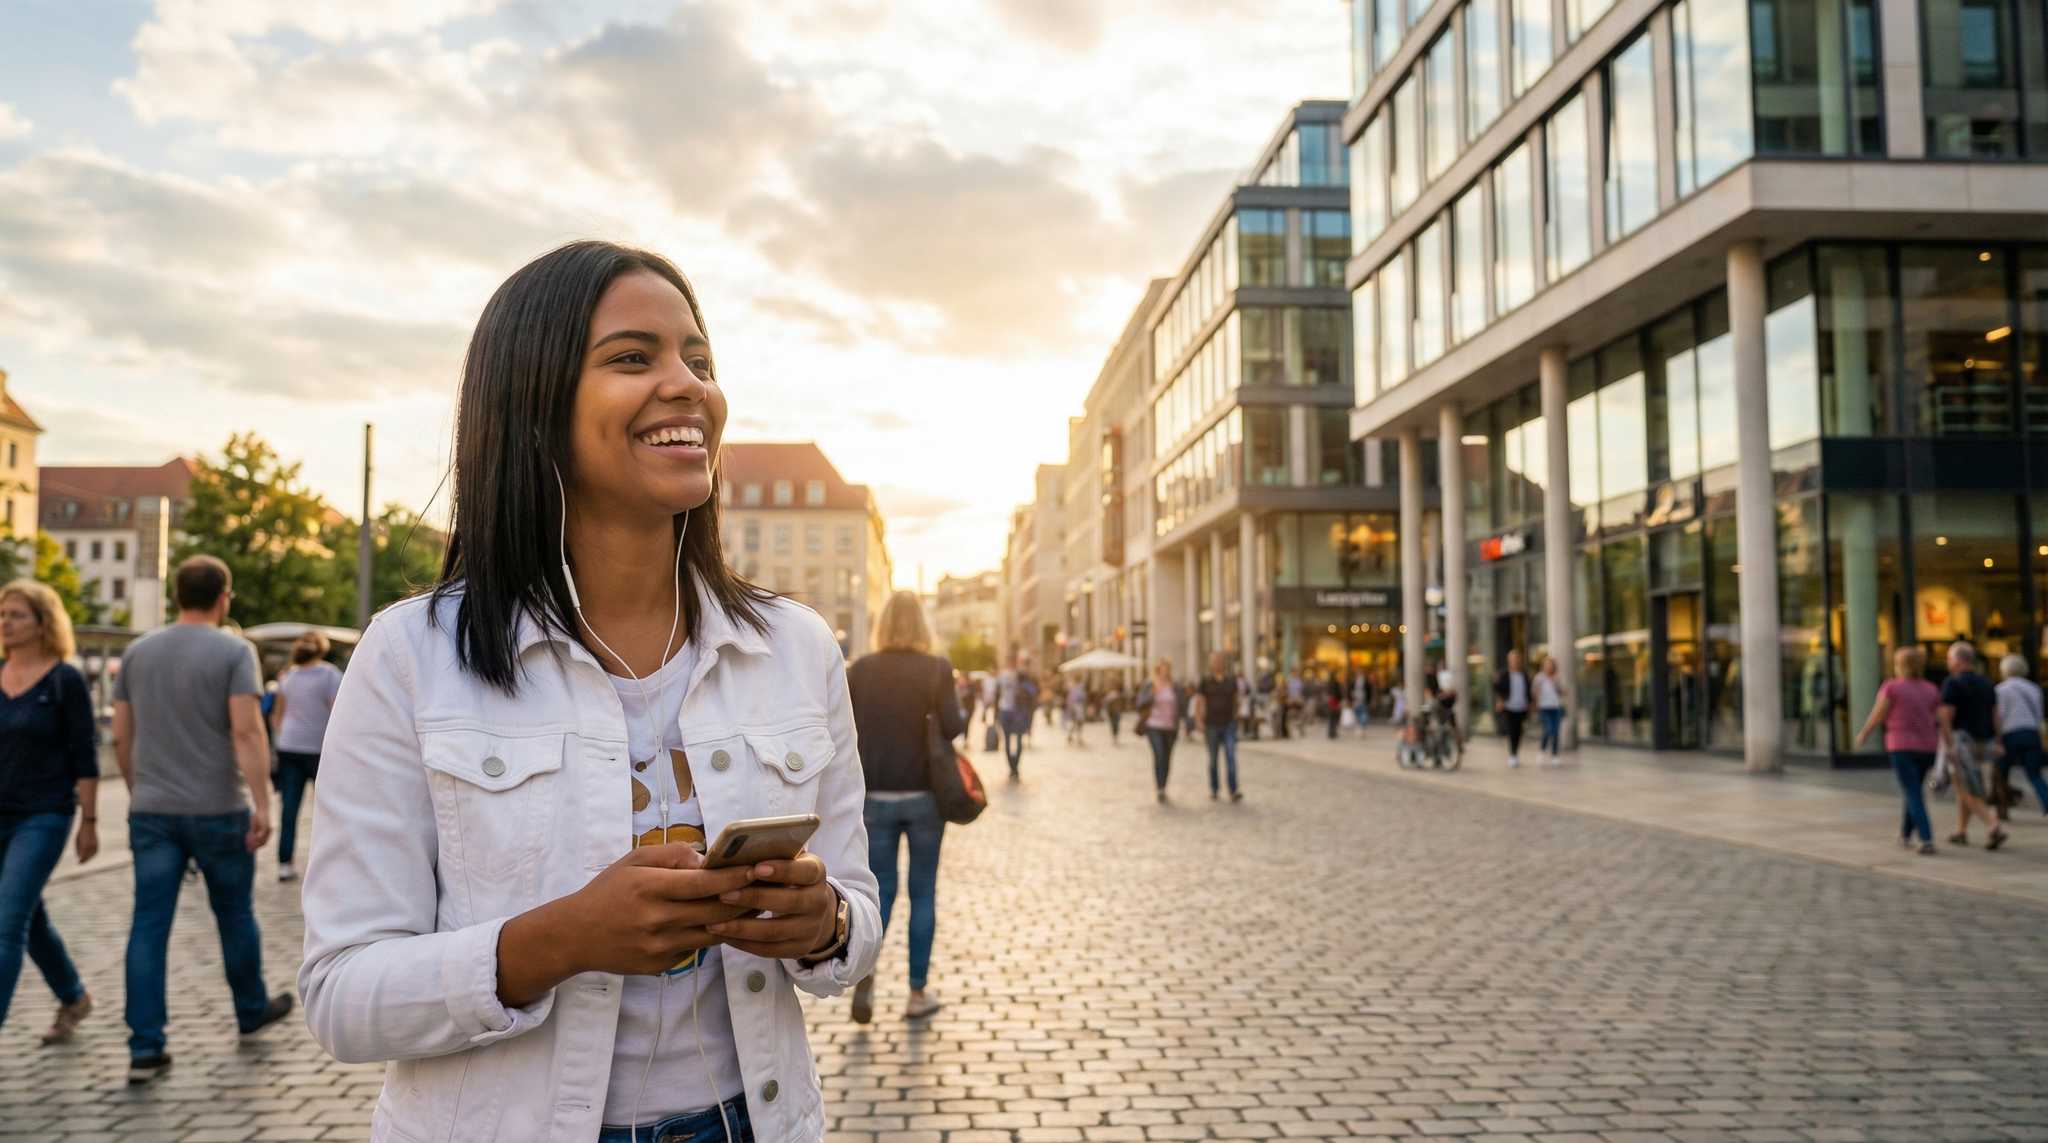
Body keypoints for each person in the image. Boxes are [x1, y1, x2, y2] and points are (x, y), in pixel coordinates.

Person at [298, 242, 880, 1143]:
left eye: (701, 359)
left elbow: (857, 921)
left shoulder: (797, 646)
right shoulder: (412, 654)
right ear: (532, 402)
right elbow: (341, 994)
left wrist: (822, 921)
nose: (688, 385)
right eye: (632, 357)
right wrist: (560, 938)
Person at [114, 556, 294, 1083]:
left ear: (176, 596)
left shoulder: (137, 652)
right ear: (224, 597)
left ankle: (145, 1046)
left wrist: (137, 790)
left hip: (152, 810)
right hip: (217, 808)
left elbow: (122, 736)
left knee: (148, 925)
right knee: (234, 915)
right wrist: (263, 803)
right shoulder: (234, 651)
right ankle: (250, 1009)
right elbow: (246, 731)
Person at [846, 592, 962, 1028]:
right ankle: (916, 992)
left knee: (879, 894)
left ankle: (867, 974)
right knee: (923, 893)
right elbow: (954, 726)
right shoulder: (936, 669)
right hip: (925, 797)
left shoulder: (861, 670)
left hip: (875, 796)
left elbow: (843, 729)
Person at [0, 579, 99, 1043]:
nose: (5, 621)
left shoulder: (65, 680)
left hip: (44, 815)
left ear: (43, 624)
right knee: (28, 916)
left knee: (6, 923)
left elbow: (85, 755)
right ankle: (73, 994)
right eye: (2, 613)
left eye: (16, 614)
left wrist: (90, 822)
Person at [1853, 647, 1942, 855]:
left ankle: (1926, 837)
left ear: (1899, 665)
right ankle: (1905, 834)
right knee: (1913, 789)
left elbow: (1878, 714)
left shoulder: (1892, 687)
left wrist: (1864, 733)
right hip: (1928, 747)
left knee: (1912, 791)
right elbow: (1938, 718)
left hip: (1901, 746)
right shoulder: (1930, 688)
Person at [269, 631, 341, 883]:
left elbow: (278, 715)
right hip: (319, 748)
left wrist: (280, 739)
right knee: (330, 808)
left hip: (289, 745)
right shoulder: (330, 675)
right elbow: (337, 712)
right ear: (322, 649)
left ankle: (285, 864)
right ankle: (330, 866)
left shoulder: (287, 676)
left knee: (289, 808)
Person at [1936, 641, 2007, 850]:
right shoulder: (1986, 682)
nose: (1948, 662)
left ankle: (1993, 825)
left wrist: (1948, 745)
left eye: (1949, 658)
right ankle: (1961, 831)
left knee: (1966, 788)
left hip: (1961, 741)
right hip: (1984, 742)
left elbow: (1946, 716)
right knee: (1964, 785)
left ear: (1958, 660)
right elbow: (1996, 716)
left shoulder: (1952, 683)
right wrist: (1999, 740)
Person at [1993, 654, 2048, 818]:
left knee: (2001, 773)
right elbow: (2039, 716)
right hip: (2031, 733)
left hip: (2010, 734)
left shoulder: (2000, 689)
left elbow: (1999, 716)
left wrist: (1997, 739)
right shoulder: (2034, 688)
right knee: (2034, 773)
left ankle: (2002, 809)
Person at [1194, 653, 1244, 803]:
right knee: (1213, 759)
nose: (1216, 663)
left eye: (1219, 661)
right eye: (1214, 661)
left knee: (1231, 756)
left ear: (1223, 663)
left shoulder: (1231, 680)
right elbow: (1199, 701)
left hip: (1229, 723)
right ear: (1211, 664)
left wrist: (1237, 717)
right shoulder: (1205, 681)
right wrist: (1198, 720)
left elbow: (1236, 700)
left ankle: (1233, 790)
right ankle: (1214, 789)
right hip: (1211, 725)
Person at [1135, 660, 1185, 803]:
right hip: (1154, 725)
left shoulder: (1174, 686)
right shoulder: (1150, 684)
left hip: (1170, 726)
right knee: (1159, 755)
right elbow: (1139, 703)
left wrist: (1186, 721)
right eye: (1162, 669)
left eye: (1167, 669)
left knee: (1167, 758)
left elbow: (1181, 704)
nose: (1165, 672)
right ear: (1158, 670)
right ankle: (1159, 788)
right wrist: (1152, 695)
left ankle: (1164, 784)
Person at [995, 653, 1037, 779]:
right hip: (1018, 712)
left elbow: (997, 696)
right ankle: (1015, 767)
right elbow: (1032, 693)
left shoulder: (1002, 676)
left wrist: (995, 714)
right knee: (1017, 741)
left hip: (1006, 711)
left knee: (1008, 741)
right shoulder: (1022, 675)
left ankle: (1012, 768)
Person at [1495, 650, 1533, 769]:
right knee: (1511, 731)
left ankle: (1515, 753)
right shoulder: (1504, 674)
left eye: (1517, 658)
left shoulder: (1524, 675)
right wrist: (1500, 700)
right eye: (1512, 659)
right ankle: (1512, 755)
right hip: (1509, 707)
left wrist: (1530, 704)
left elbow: (1528, 691)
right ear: (1509, 660)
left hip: (1521, 707)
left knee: (1519, 731)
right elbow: (1498, 688)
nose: (1515, 661)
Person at [1534, 657, 1567, 766]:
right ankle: (1542, 751)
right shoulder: (1539, 677)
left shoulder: (1557, 677)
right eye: (1547, 665)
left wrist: (1556, 684)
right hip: (1544, 707)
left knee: (1556, 731)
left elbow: (1564, 692)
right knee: (1548, 730)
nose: (1549, 667)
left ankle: (1555, 755)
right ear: (1543, 666)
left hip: (1556, 707)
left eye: (1551, 665)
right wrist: (1537, 704)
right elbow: (1535, 692)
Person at [1064, 677, 1087, 746]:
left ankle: (1073, 736)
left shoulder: (1074, 688)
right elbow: (1083, 698)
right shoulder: (1079, 689)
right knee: (1078, 723)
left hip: (1076, 708)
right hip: (1077, 708)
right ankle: (1076, 737)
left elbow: (1069, 699)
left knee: (1075, 723)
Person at [1104, 679, 1125, 745]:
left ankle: (1115, 738)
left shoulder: (1117, 695)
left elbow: (1121, 704)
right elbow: (1107, 704)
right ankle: (1115, 738)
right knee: (1115, 725)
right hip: (1114, 713)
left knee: (1115, 726)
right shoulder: (1112, 695)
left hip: (1115, 712)